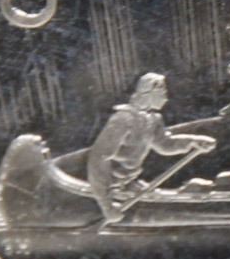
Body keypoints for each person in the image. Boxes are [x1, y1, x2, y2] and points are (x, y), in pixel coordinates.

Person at [87, 73, 215, 223]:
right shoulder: (123, 119)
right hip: (109, 186)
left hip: (128, 181)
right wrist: (106, 205)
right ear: (149, 93)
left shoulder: (152, 119)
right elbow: (100, 157)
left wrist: (193, 142)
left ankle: (127, 186)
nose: (166, 99)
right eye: (163, 93)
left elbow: (165, 144)